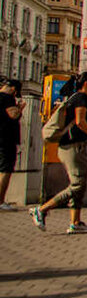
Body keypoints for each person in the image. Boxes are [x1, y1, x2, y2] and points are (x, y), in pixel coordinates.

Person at [31, 71, 87, 233]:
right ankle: (42, 209)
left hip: (74, 146)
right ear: (86, 84)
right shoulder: (81, 98)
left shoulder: (75, 97)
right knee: (78, 184)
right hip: (72, 147)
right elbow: (80, 121)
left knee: (80, 184)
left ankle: (75, 222)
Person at [0, 78, 25, 211]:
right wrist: (20, 107)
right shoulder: (7, 98)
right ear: (14, 90)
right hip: (5, 139)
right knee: (5, 169)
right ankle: (0, 201)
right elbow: (13, 115)